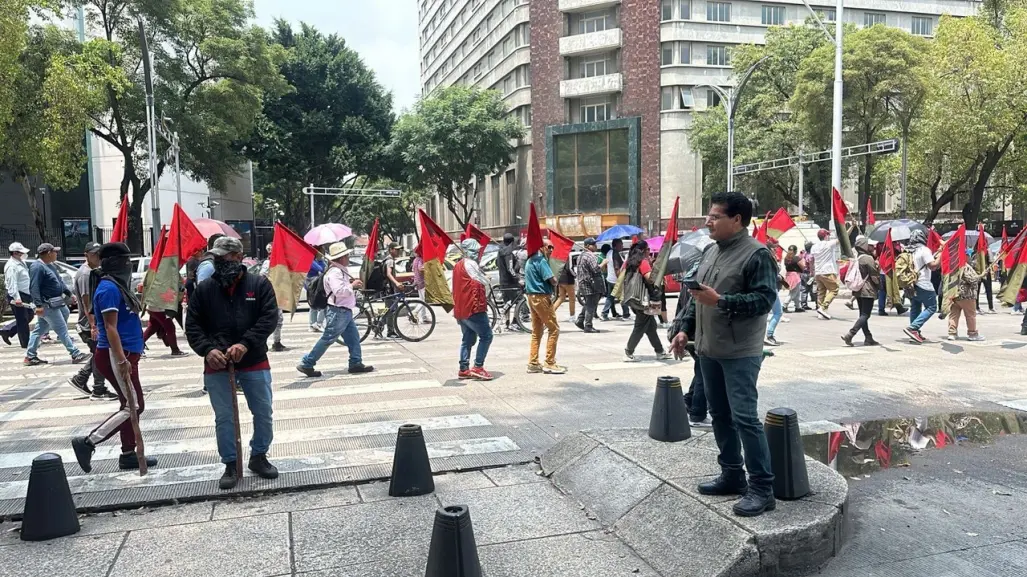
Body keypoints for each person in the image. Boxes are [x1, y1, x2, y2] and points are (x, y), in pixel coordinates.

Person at [669, 191, 777, 517]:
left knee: (745, 419)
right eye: (709, 215)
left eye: (715, 217)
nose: (708, 221)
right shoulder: (711, 251)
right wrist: (684, 329)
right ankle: (732, 475)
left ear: (737, 220)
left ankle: (762, 488)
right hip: (707, 350)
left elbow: (764, 301)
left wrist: (723, 301)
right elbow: (696, 297)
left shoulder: (758, 255)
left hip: (740, 352)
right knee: (720, 416)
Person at [185, 237, 281, 490]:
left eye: (223, 257)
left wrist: (246, 343)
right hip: (216, 363)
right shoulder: (204, 289)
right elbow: (192, 326)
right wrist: (207, 350)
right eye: (215, 257)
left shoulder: (259, 284)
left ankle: (259, 455)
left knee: (263, 411)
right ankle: (230, 461)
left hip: (253, 358)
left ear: (238, 257)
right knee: (224, 416)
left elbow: (268, 318)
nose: (218, 261)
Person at [71, 242, 158, 472]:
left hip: (126, 353)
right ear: (115, 264)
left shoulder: (118, 286)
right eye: (125, 261)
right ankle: (89, 442)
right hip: (115, 354)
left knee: (130, 405)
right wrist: (121, 360)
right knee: (134, 406)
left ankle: (128, 454)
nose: (128, 265)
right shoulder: (108, 289)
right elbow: (110, 328)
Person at [296, 242, 373, 378]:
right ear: (341, 257)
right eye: (346, 255)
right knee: (328, 338)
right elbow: (339, 291)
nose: (348, 257)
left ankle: (356, 362)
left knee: (353, 338)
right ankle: (307, 362)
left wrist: (350, 283)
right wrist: (352, 286)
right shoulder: (335, 272)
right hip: (338, 311)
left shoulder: (339, 270)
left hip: (344, 311)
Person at [25, 243, 90, 366]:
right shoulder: (37, 267)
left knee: (40, 329)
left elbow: (59, 282)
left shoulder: (51, 265)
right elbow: (34, 287)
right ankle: (75, 353)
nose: (56, 253)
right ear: (48, 253)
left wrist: (69, 294)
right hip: (47, 304)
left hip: (57, 302)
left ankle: (30, 356)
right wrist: (38, 305)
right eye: (54, 251)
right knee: (61, 328)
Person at [68, 242, 118, 400]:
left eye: (99, 253)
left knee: (99, 353)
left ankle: (81, 378)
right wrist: (93, 325)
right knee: (100, 355)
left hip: (94, 321)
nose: (97, 257)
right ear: (86, 255)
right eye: (94, 254)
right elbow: (85, 300)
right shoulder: (85, 274)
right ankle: (98, 389)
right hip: (89, 323)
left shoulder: (94, 271)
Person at [622, 241, 671, 362]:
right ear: (644, 250)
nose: (649, 251)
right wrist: (659, 274)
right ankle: (628, 351)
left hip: (634, 298)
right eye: (648, 249)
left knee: (651, 327)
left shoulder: (630, 262)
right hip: (644, 300)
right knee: (640, 327)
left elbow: (620, 274)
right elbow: (649, 278)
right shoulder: (643, 262)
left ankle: (660, 351)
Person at [453, 239, 494, 380]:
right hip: (472, 307)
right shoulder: (470, 264)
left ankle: (464, 368)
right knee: (486, 335)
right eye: (474, 250)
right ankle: (478, 366)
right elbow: (480, 280)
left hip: (461, 308)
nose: (477, 253)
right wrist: (486, 278)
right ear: (466, 251)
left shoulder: (458, 265)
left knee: (468, 338)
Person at [525, 239, 564, 374]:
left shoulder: (530, 260)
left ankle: (533, 362)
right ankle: (550, 362)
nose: (551, 250)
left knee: (537, 331)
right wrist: (555, 280)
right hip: (541, 297)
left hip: (531, 297)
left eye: (553, 247)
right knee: (554, 329)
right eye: (549, 247)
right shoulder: (541, 261)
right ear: (541, 247)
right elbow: (552, 280)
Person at [842, 235, 881, 347]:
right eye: (870, 245)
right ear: (864, 246)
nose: (873, 247)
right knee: (865, 315)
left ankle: (868, 337)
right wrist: (879, 286)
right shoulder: (868, 258)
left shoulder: (858, 257)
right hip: (867, 289)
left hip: (859, 290)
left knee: (862, 315)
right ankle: (850, 334)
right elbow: (874, 276)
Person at [903, 229, 940, 344]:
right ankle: (913, 328)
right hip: (923, 283)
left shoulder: (908, 251)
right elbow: (933, 266)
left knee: (915, 306)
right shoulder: (924, 250)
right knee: (932, 307)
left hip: (910, 283)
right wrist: (942, 255)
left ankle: (915, 333)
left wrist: (936, 255)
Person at [948, 249, 985, 341]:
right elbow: (972, 280)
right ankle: (972, 333)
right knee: (970, 315)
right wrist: (981, 275)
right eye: (968, 255)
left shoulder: (952, 266)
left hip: (954, 294)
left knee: (954, 315)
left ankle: (952, 333)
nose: (969, 257)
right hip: (967, 295)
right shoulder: (965, 266)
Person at [4, 242, 33, 348]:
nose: (23, 254)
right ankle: (26, 343)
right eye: (21, 252)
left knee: (29, 315)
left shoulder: (21, 262)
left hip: (25, 294)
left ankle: (7, 331)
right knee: (23, 320)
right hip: (17, 295)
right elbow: (12, 283)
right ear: (15, 253)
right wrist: (17, 298)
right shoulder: (11, 266)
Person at [259, 242, 287, 352]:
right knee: (270, 318)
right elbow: (262, 275)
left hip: (278, 293)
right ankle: (264, 342)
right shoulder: (268, 263)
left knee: (279, 319)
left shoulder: (280, 262)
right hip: (271, 294)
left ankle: (277, 341)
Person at [574, 238, 602, 333]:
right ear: (587, 246)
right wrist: (603, 263)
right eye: (593, 244)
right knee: (591, 303)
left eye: (595, 244)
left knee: (588, 302)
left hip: (582, 282)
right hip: (590, 283)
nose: (595, 246)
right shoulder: (590, 256)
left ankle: (580, 320)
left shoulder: (580, 256)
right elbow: (596, 269)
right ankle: (588, 325)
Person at [810, 229, 840, 320]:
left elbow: (812, 260)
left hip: (818, 272)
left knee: (821, 292)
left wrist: (812, 271)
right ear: (826, 236)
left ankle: (821, 312)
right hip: (828, 271)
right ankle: (823, 307)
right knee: (834, 289)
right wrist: (852, 227)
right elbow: (842, 238)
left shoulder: (814, 247)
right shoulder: (828, 244)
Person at [496, 233, 522, 329]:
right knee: (519, 300)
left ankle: (507, 321)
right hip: (510, 282)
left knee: (507, 301)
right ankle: (515, 321)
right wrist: (517, 278)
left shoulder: (500, 251)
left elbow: (496, 263)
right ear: (512, 241)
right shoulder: (508, 253)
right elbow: (510, 268)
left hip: (503, 280)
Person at [764, 239, 785, 347]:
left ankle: (763, 335)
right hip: (771, 287)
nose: (776, 250)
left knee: (764, 312)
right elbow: (773, 274)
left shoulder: (762, 257)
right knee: (778, 312)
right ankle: (769, 335)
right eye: (775, 248)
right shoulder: (770, 259)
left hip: (764, 287)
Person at [602, 239, 629, 320]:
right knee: (622, 296)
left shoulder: (609, 253)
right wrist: (620, 280)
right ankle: (626, 313)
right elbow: (616, 267)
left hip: (610, 278)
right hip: (615, 279)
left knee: (610, 297)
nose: (622, 246)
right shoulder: (615, 253)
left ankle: (604, 313)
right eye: (621, 244)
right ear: (616, 245)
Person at [553, 253, 576, 323]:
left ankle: (550, 313)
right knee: (572, 299)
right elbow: (569, 268)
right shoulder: (568, 255)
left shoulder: (558, 255)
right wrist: (575, 275)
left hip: (560, 278)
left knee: (561, 298)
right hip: (568, 279)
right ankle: (572, 316)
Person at [307, 252, 327, 331]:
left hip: (317, 284)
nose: (322, 255)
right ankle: (317, 323)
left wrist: (321, 261)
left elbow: (324, 268)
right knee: (319, 303)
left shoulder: (320, 261)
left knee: (315, 305)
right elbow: (321, 269)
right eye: (320, 253)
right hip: (313, 286)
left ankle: (314, 324)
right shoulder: (311, 261)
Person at [782, 245, 805, 313]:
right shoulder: (796, 258)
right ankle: (784, 305)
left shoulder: (786, 258)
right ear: (795, 251)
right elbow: (803, 267)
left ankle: (798, 307)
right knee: (793, 293)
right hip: (795, 276)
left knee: (797, 292)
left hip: (789, 275)